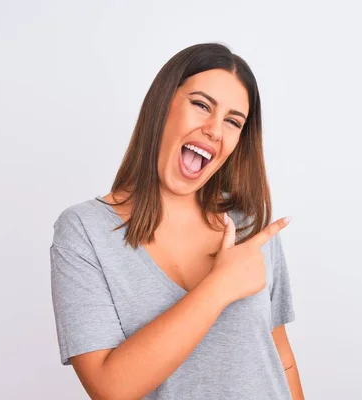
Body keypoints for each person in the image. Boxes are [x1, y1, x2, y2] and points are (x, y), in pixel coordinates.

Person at [50, 43, 305, 399]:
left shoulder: (249, 225)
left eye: (233, 121)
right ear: (162, 105)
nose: (215, 130)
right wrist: (221, 286)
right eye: (201, 105)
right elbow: (110, 388)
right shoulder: (84, 231)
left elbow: (280, 355)